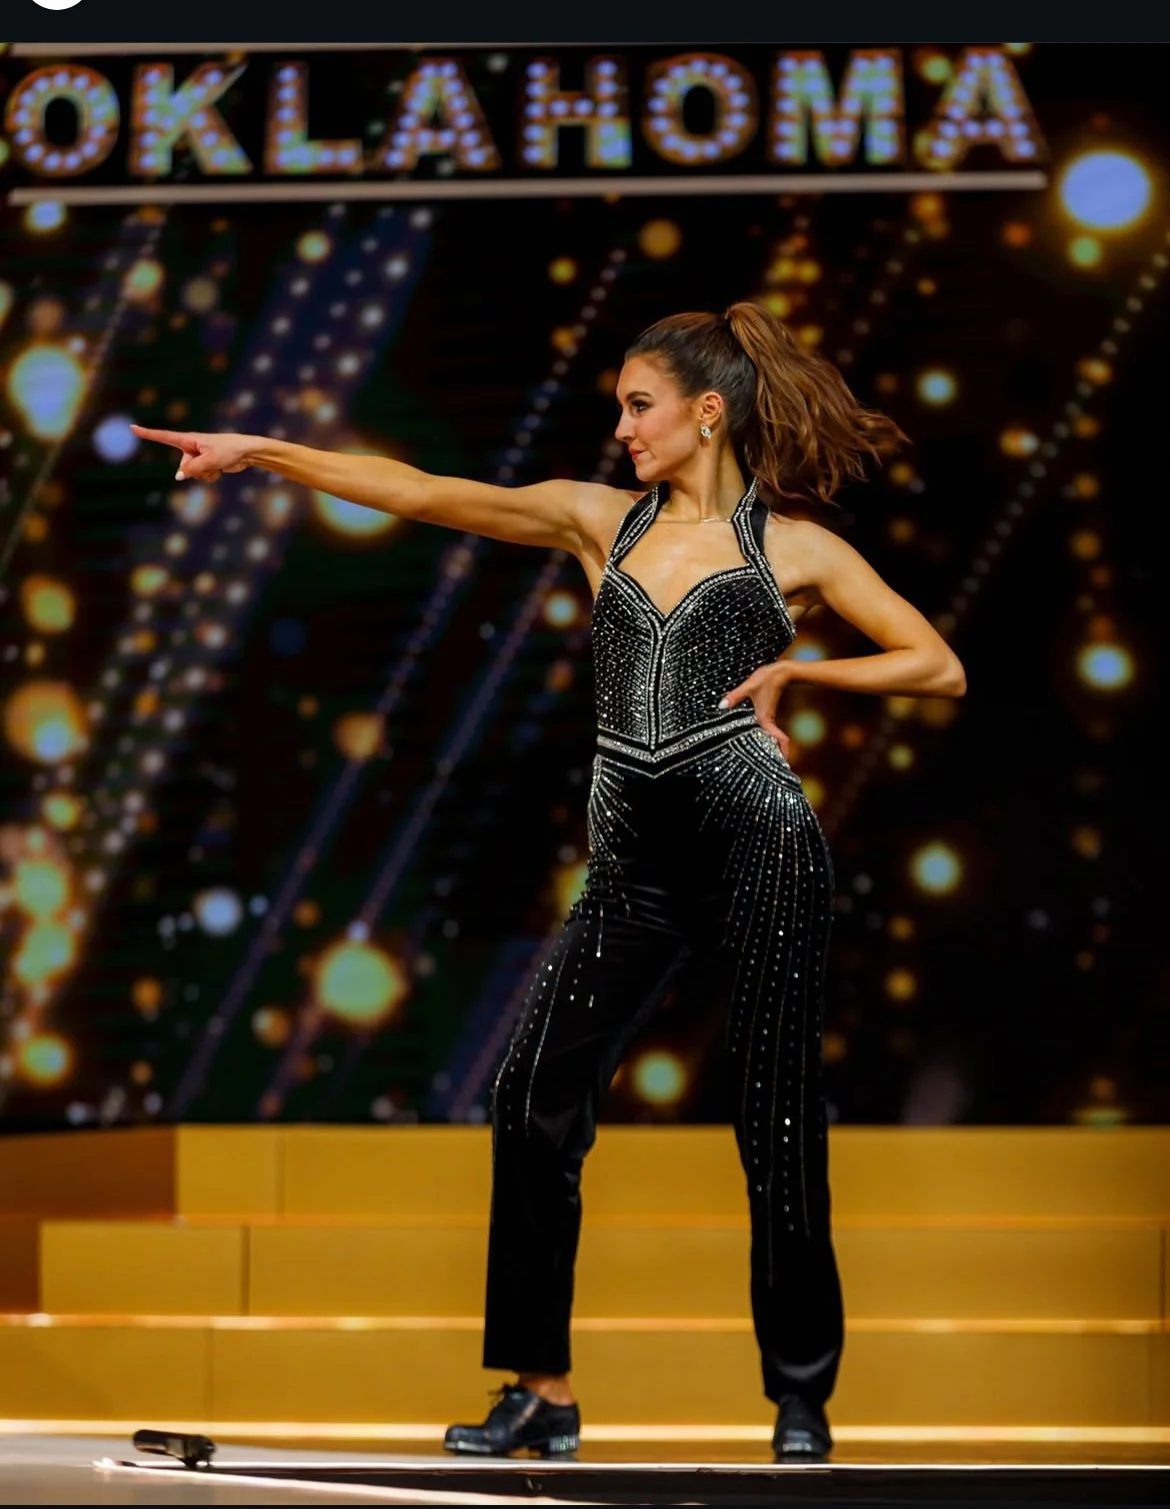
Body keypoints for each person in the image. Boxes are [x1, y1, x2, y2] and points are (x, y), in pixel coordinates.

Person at [132, 301, 965, 1465]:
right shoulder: (597, 524)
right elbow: (424, 492)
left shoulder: (799, 550)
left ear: (706, 413)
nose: (622, 428)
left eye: (639, 406)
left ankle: (800, 1400)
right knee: (529, 1100)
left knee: (773, 1123)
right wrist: (260, 451)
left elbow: (940, 664)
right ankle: (545, 1391)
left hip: (759, 846)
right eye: (618, 408)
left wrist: (801, 671)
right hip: (633, 865)